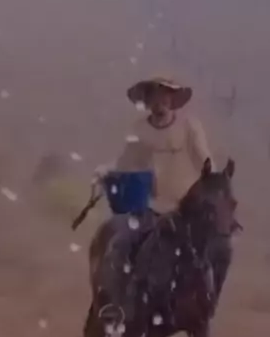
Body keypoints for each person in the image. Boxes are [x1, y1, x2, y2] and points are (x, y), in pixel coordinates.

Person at [94, 76, 232, 303]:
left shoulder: (189, 127)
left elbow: (205, 160)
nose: (161, 102)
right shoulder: (139, 130)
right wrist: (105, 171)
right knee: (121, 245)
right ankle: (117, 303)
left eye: (165, 97)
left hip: (188, 209)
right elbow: (125, 163)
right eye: (155, 98)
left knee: (219, 251)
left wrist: (215, 187)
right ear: (148, 101)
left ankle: (207, 304)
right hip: (151, 207)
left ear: (172, 100)